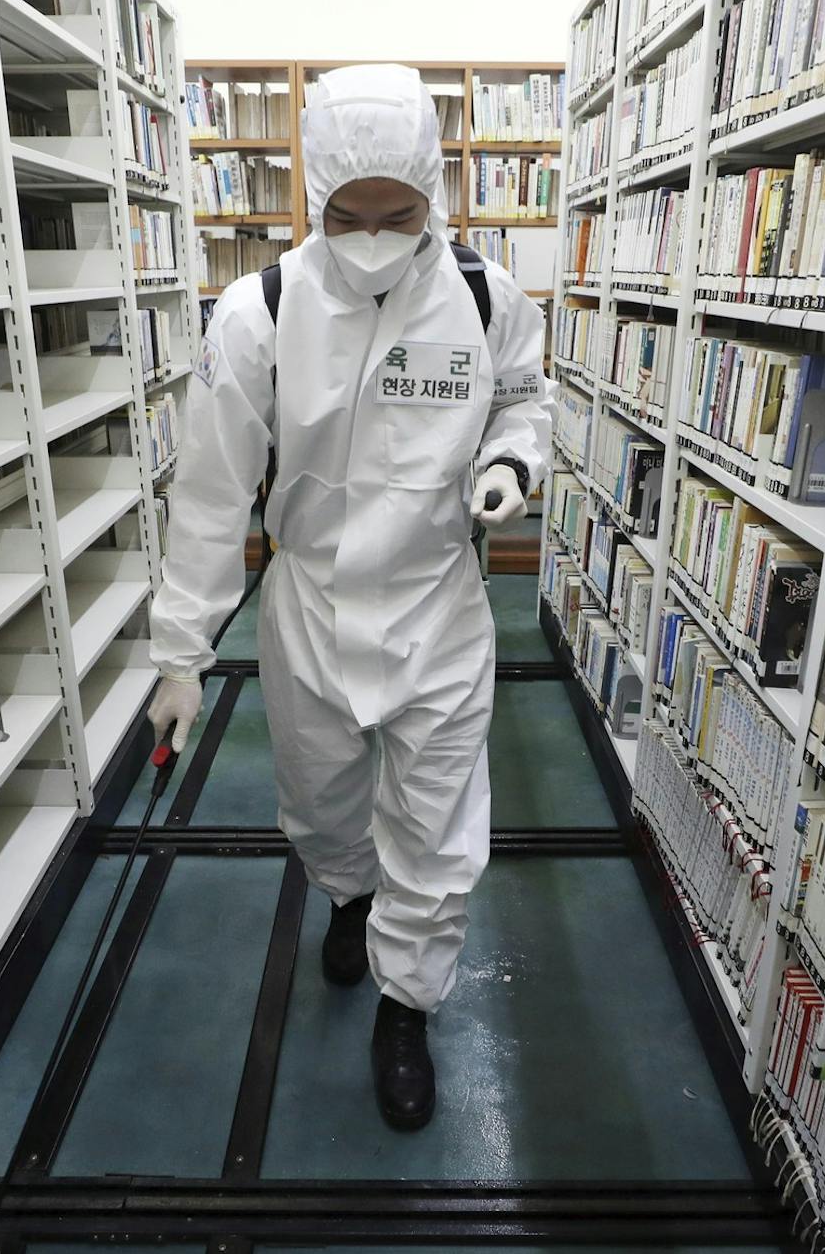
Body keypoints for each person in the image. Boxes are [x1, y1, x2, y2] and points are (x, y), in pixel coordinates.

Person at [145, 63, 550, 1131]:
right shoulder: (259, 313)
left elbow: (523, 401)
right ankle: (347, 893)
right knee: (321, 800)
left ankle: (406, 1003)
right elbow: (208, 491)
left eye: (399, 213)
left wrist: (513, 463)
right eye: (349, 214)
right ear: (314, 196)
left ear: (434, 194)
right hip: (310, 605)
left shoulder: (483, 297)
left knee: (438, 825)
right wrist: (179, 652)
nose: (374, 234)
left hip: (439, 607)